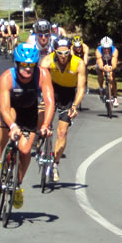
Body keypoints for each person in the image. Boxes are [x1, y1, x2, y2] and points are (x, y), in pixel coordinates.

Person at [0, 43, 55, 208]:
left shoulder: (43, 75)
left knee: (25, 150)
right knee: (5, 122)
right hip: (10, 107)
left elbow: (50, 103)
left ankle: (17, 184)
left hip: (29, 108)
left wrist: (45, 124)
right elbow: (3, 107)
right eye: (24, 65)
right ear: (16, 63)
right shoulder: (7, 78)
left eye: (31, 65)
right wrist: (13, 126)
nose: (28, 70)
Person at [39, 37, 86, 182]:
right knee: (41, 121)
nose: (64, 56)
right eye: (60, 53)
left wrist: (74, 106)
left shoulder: (78, 64)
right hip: (52, 91)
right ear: (55, 52)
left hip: (68, 96)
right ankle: (39, 143)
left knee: (62, 132)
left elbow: (81, 88)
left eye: (66, 53)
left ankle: (54, 163)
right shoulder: (47, 61)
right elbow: (39, 81)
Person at [95, 36, 119, 106]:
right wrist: (103, 68)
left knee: (112, 78)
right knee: (101, 74)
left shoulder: (115, 50)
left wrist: (111, 68)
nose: (106, 50)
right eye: (104, 49)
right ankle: (101, 88)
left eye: (108, 48)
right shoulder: (98, 50)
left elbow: (114, 63)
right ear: (102, 47)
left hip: (110, 62)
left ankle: (115, 97)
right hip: (102, 62)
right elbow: (99, 63)